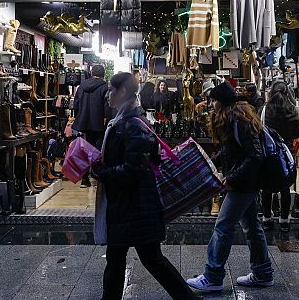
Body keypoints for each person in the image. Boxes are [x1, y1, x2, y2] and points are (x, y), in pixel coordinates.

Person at [92, 72, 199, 300]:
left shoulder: (132, 125)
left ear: (122, 92)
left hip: (135, 205)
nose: (107, 95)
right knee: (125, 258)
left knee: (144, 258)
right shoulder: (124, 122)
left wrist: (102, 171)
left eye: (111, 90)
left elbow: (134, 170)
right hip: (129, 205)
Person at [187, 82, 274, 292]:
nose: (212, 105)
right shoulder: (235, 119)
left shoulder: (238, 121)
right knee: (252, 227)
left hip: (243, 185)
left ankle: (213, 276)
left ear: (223, 102)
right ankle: (263, 273)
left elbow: (254, 156)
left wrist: (232, 179)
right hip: (246, 182)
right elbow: (232, 153)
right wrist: (210, 161)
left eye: (214, 101)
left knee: (223, 227)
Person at [261, 81, 299, 231]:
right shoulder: (293, 109)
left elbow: (260, 129)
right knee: (285, 187)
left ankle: (267, 219)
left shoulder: (265, 109)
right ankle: (284, 220)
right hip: (287, 153)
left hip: (269, 152)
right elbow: (296, 133)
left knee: (266, 186)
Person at [73, 64, 110, 188]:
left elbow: (76, 104)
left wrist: (78, 118)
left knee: (85, 150)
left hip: (83, 122)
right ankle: (97, 174)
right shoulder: (105, 87)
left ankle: (84, 179)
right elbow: (107, 105)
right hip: (99, 122)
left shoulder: (81, 87)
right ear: (103, 74)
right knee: (98, 150)